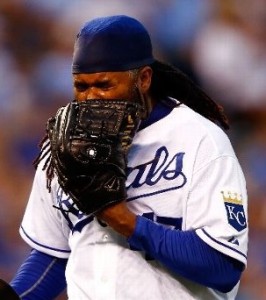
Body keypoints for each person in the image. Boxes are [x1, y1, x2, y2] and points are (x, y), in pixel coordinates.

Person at [5, 15, 248, 299]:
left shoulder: (199, 139)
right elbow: (54, 255)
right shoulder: (64, 146)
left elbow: (223, 266)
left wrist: (122, 219)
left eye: (104, 85)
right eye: (81, 87)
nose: (91, 98)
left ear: (143, 78)